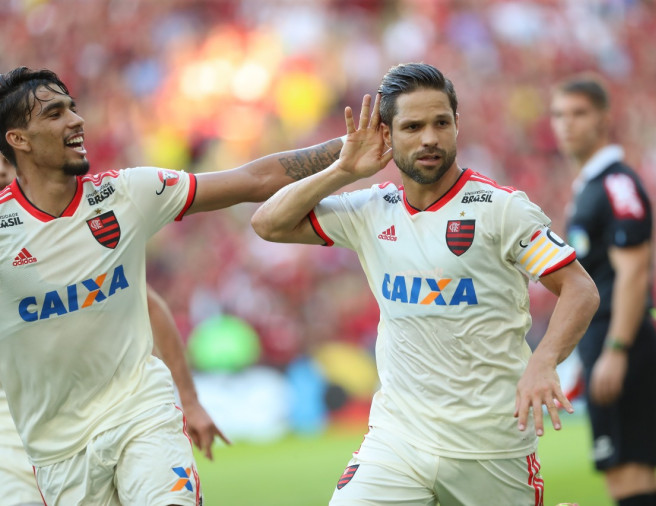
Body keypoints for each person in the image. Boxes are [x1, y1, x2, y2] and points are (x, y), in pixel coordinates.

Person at [252, 62, 599, 505]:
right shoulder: (371, 211)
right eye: (412, 126)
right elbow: (268, 222)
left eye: (441, 123)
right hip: (399, 441)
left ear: (457, 125)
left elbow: (580, 288)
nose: (430, 137)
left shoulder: (501, 210)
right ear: (387, 135)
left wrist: (544, 360)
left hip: (490, 445)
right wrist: (344, 170)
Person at [0, 66, 344, 505]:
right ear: (19, 139)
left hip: (141, 412)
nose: (75, 120)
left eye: (73, 108)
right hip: (58, 449)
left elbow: (254, 179)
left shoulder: (126, 194)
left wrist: (348, 150)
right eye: (54, 114)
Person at [0, 155, 228, 506]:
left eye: (3, 160)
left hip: (114, 408)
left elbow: (149, 305)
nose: (1, 169)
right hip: (22, 433)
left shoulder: (56, 227)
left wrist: (191, 400)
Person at [550, 73, 656, 506]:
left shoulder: (616, 185)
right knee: (624, 475)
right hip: (604, 339)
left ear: (604, 119)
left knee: (630, 475)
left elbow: (634, 271)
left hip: (624, 338)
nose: (567, 124)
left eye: (579, 113)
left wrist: (617, 349)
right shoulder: (590, 187)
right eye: (559, 114)